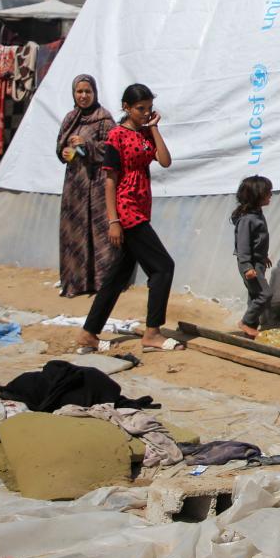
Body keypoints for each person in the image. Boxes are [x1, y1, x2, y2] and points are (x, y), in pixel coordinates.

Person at [78, 83, 181, 353]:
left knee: (118, 275)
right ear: (126, 107)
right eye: (140, 109)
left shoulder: (147, 133)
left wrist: (155, 128)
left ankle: (89, 333)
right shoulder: (116, 137)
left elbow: (165, 160)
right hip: (127, 210)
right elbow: (109, 181)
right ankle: (152, 332)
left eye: (148, 108)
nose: (146, 113)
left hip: (141, 205)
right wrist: (114, 220)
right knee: (163, 267)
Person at [56, 74, 117, 297]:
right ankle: (76, 281)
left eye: (87, 92)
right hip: (75, 185)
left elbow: (113, 148)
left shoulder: (104, 118)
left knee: (97, 231)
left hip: (97, 184)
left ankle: (100, 282)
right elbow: (61, 146)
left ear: (95, 93)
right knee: (74, 231)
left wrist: (87, 144)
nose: (83, 96)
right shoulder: (70, 118)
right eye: (79, 92)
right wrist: (64, 152)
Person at [232, 175, 273, 339]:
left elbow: (258, 241)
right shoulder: (247, 219)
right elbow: (243, 246)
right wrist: (248, 267)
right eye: (268, 192)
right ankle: (246, 322)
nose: (271, 195)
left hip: (258, 262)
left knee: (255, 295)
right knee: (265, 294)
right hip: (249, 264)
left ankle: (250, 327)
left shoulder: (257, 214)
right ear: (257, 195)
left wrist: (263, 256)